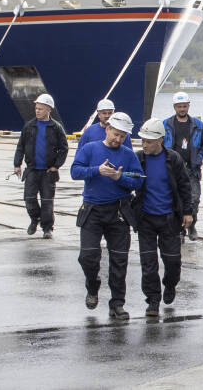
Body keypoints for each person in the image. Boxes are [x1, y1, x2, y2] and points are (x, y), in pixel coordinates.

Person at [70, 111, 143, 320]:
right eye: (115, 134)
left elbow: (138, 182)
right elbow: (75, 172)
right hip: (92, 210)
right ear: (107, 128)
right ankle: (92, 286)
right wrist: (97, 170)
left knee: (120, 260)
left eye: (122, 136)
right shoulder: (90, 149)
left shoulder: (129, 155)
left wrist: (120, 177)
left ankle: (117, 303)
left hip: (118, 211)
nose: (118, 139)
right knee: (88, 256)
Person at [131, 117, 193, 317]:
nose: (145, 144)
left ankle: (170, 284)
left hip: (169, 219)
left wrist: (187, 212)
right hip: (146, 219)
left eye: (149, 141)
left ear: (160, 140)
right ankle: (152, 300)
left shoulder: (173, 159)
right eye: (143, 140)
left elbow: (184, 185)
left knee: (173, 262)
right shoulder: (138, 158)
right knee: (148, 264)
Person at [13, 93, 68, 237]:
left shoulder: (56, 127)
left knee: (47, 201)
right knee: (29, 198)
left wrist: (56, 166)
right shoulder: (29, 126)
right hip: (31, 170)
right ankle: (35, 218)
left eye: (41, 109)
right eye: (36, 108)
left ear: (49, 110)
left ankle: (47, 228)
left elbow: (64, 148)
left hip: (48, 172)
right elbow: (21, 146)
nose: (37, 111)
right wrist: (17, 164)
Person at [161, 91, 203, 241]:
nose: (182, 109)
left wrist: (200, 156)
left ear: (189, 106)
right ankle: (180, 230)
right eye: (179, 106)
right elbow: (160, 143)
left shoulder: (198, 125)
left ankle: (192, 225)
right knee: (175, 199)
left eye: (184, 106)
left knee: (194, 199)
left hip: (192, 168)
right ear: (174, 107)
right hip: (173, 169)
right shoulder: (166, 124)